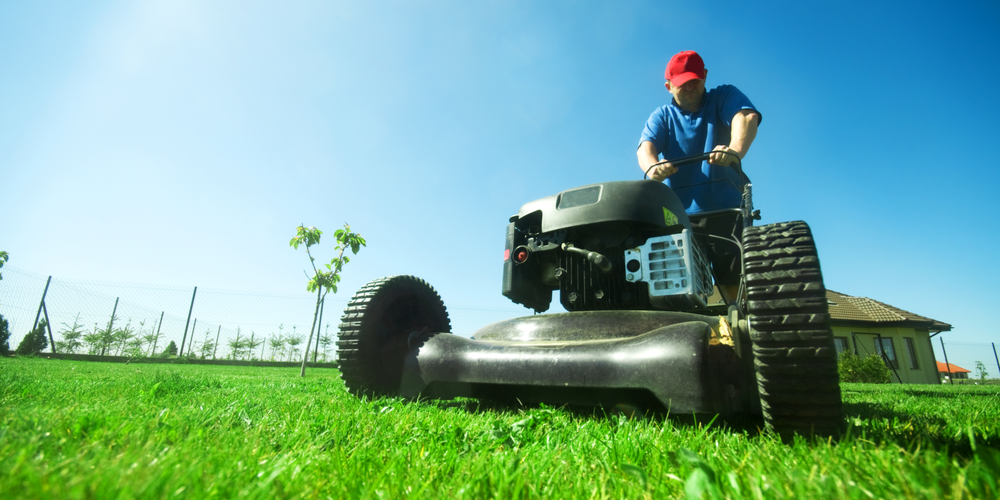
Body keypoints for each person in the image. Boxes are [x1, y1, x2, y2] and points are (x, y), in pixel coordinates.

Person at [636, 50, 761, 302]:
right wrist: (652, 168)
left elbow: (745, 116)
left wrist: (734, 150)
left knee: (733, 285)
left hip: (725, 212)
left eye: (695, 80)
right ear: (668, 86)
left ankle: (741, 327)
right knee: (679, 289)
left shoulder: (723, 96)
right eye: (682, 83)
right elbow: (646, 147)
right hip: (678, 219)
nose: (690, 87)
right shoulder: (662, 116)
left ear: (704, 76)